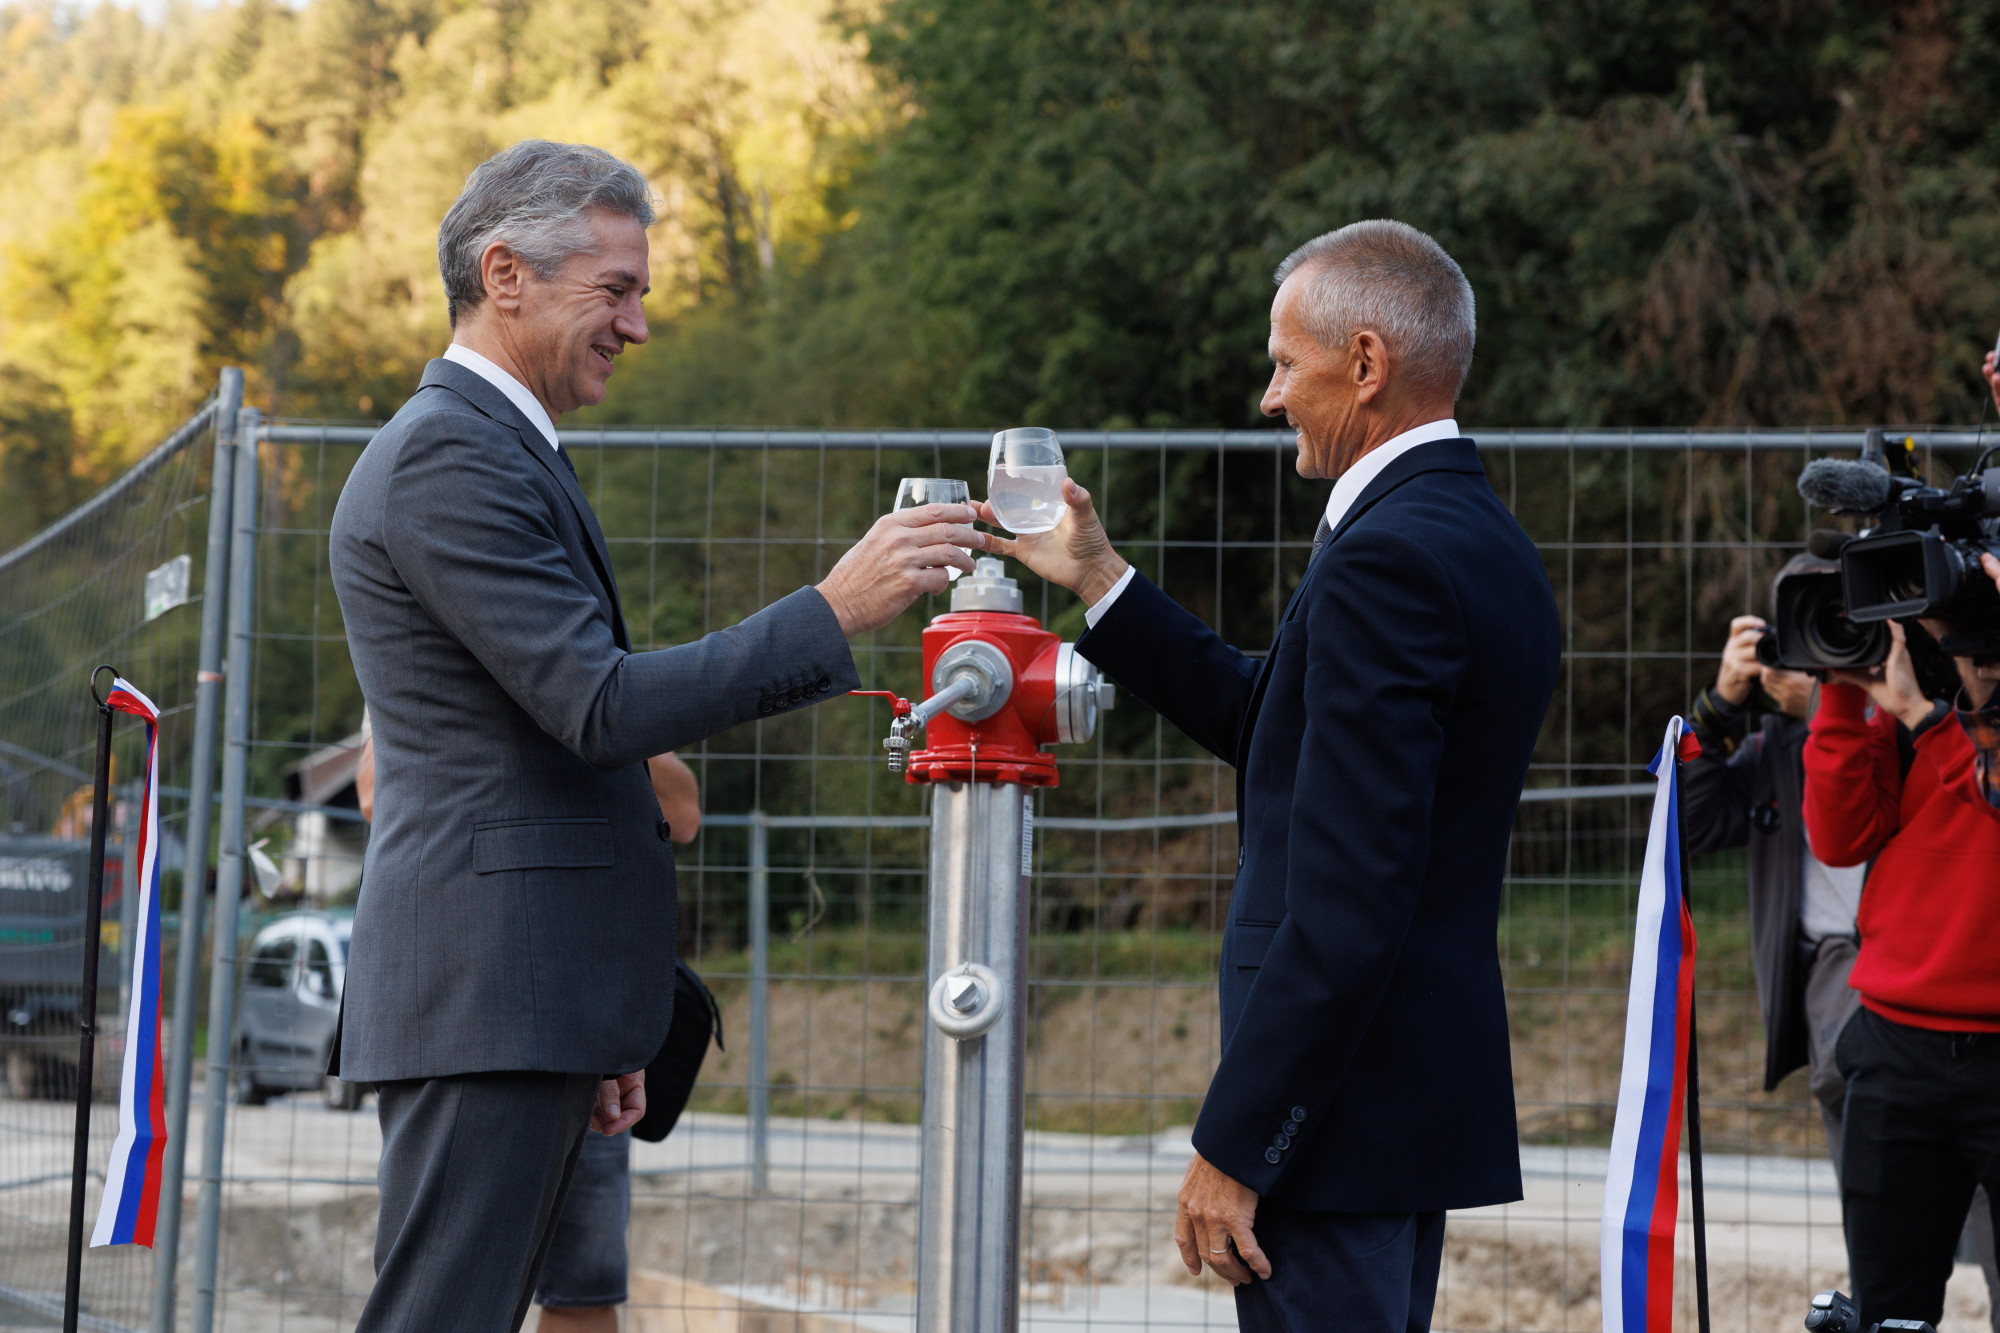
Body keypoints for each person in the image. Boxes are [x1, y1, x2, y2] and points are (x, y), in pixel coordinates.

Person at [328, 139, 991, 1333]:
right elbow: (601, 708)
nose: (635, 326)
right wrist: (833, 609)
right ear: (505, 274)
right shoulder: (446, 455)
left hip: (530, 1004)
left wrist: (600, 1011)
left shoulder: (497, 447)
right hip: (488, 1001)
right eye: (615, 291)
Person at [982, 220, 1560, 1331]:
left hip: (1334, 1124)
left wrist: (1240, 1141)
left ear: (1365, 362)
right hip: (1397, 1110)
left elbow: (1350, 895)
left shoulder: (1386, 556)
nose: (1269, 396)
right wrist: (1101, 580)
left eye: (1286, 364)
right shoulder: (1477, 535)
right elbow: (1279, 730)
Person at [354, 727, 702, 1333]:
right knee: (444, 1288)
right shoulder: (433, 679)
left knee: (585, 1282)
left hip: (585, 1003)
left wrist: (588, 719)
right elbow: (374, 793)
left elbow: (684, 812)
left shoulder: (596, 679)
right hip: (476, 1007)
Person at [1802, 609, 2000, 1329]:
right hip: (1896, 1045)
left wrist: (1927, 717)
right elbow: (1841, 836)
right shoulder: (1918, 693)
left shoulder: (1929, 714)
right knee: (1889, 1312)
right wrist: (1842, 694)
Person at [1681, 569, 1863, 1166]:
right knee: (1870, 1178)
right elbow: (1689, 825)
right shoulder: (1774, 749)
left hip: (1913, 961)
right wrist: (1718, 706)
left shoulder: (1913, 720)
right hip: (1833, 974)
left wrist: (1822, 708)